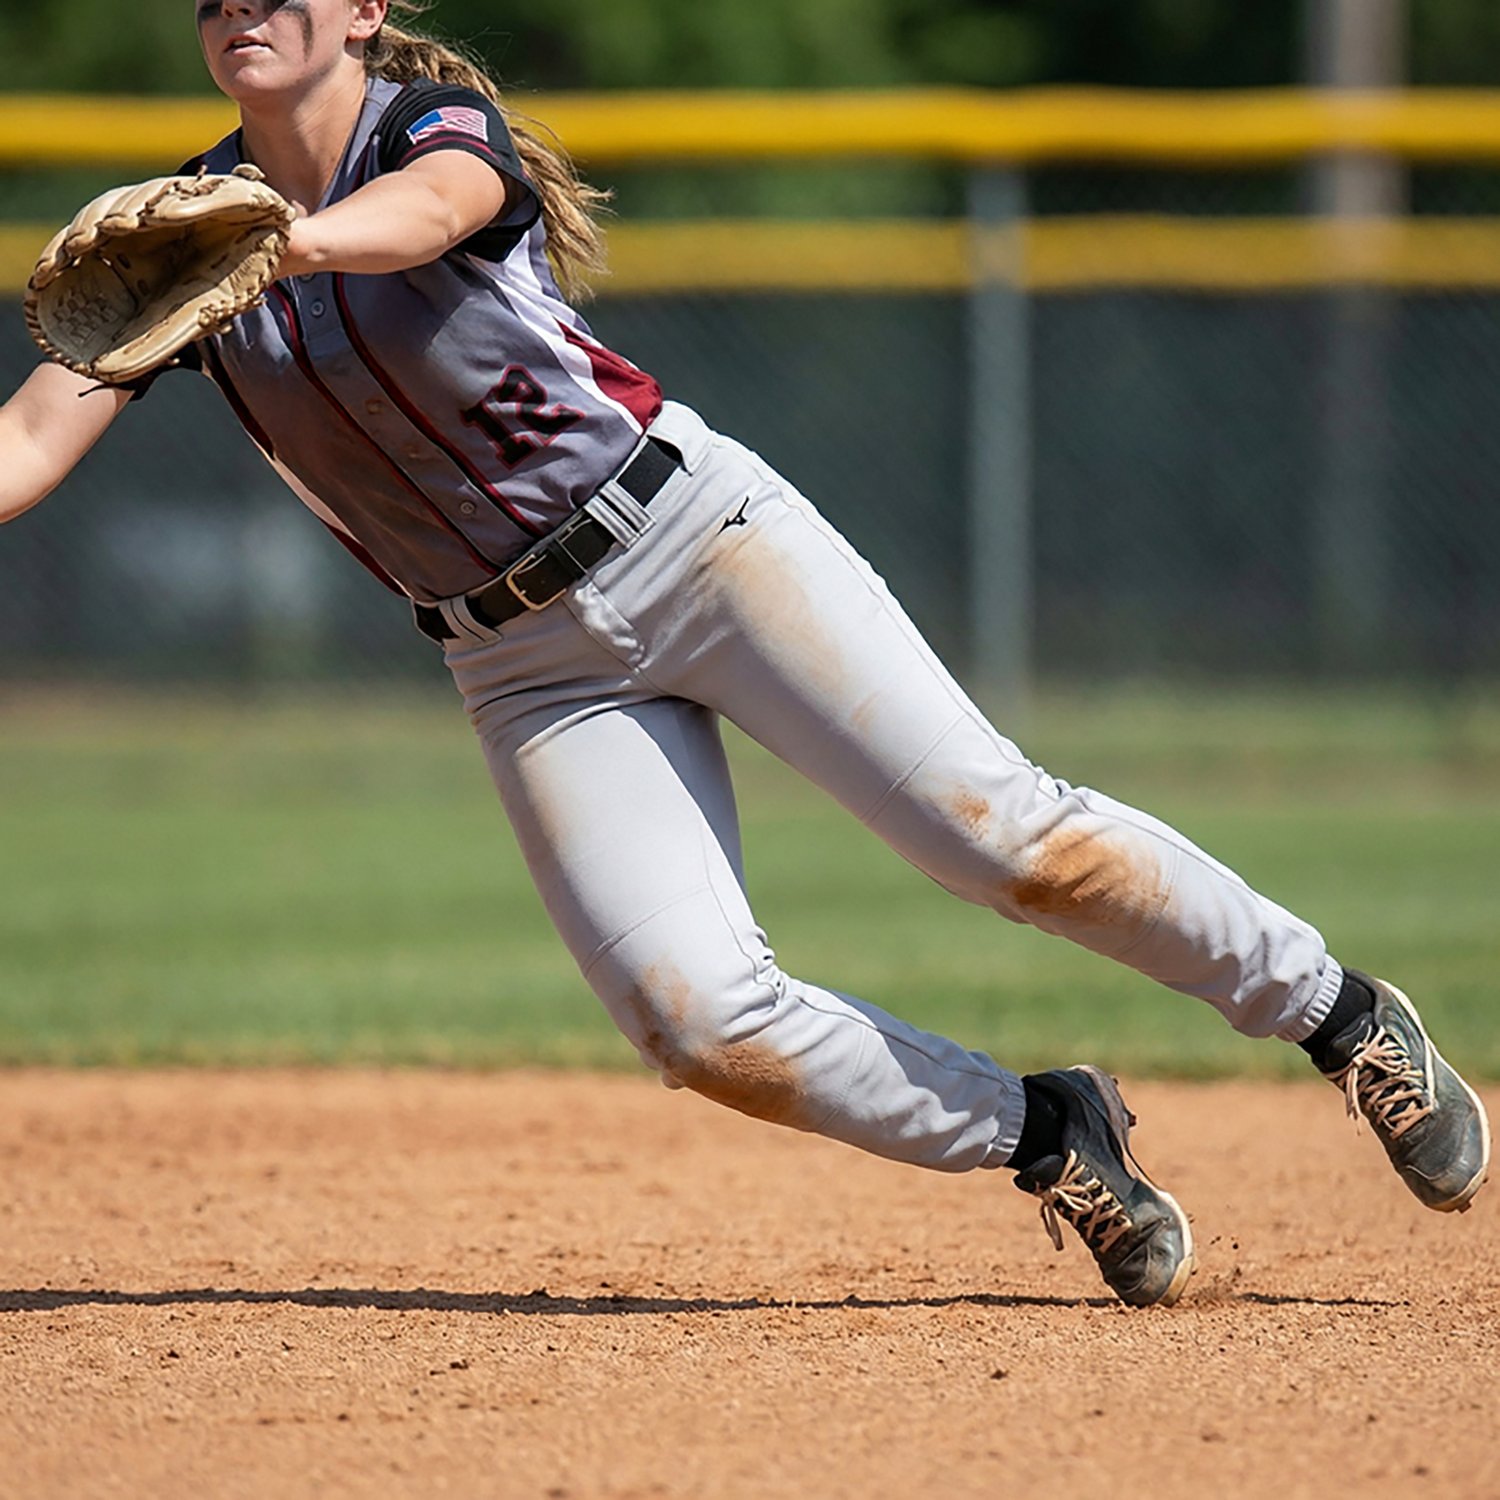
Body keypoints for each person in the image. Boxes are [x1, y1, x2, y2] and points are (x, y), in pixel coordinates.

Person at [0, 0, 1488, 1309]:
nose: (238, 6)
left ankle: (1339, 1016)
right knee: (699, 1022)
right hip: (525, 666)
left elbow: (437, 208)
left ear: (366, 7)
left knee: (1003, 841)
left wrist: (281, 238)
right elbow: (26, 439)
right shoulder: (176, 240)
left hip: (695, 542)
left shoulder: (428, 131)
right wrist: (230, 249)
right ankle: (1049, 1133)